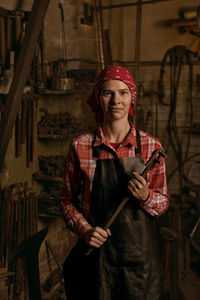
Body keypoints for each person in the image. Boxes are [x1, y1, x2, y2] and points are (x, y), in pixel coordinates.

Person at [60, 65, 169, 300]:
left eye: (123, 92)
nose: (115, 101)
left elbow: (162, 205)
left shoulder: (152, 147)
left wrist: (146, 197)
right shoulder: (80, 146)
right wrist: (85, 230)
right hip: (98, 260)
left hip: (140, 264)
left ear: (132, 99)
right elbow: (67, 201)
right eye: (108, 93)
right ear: (98, 98)